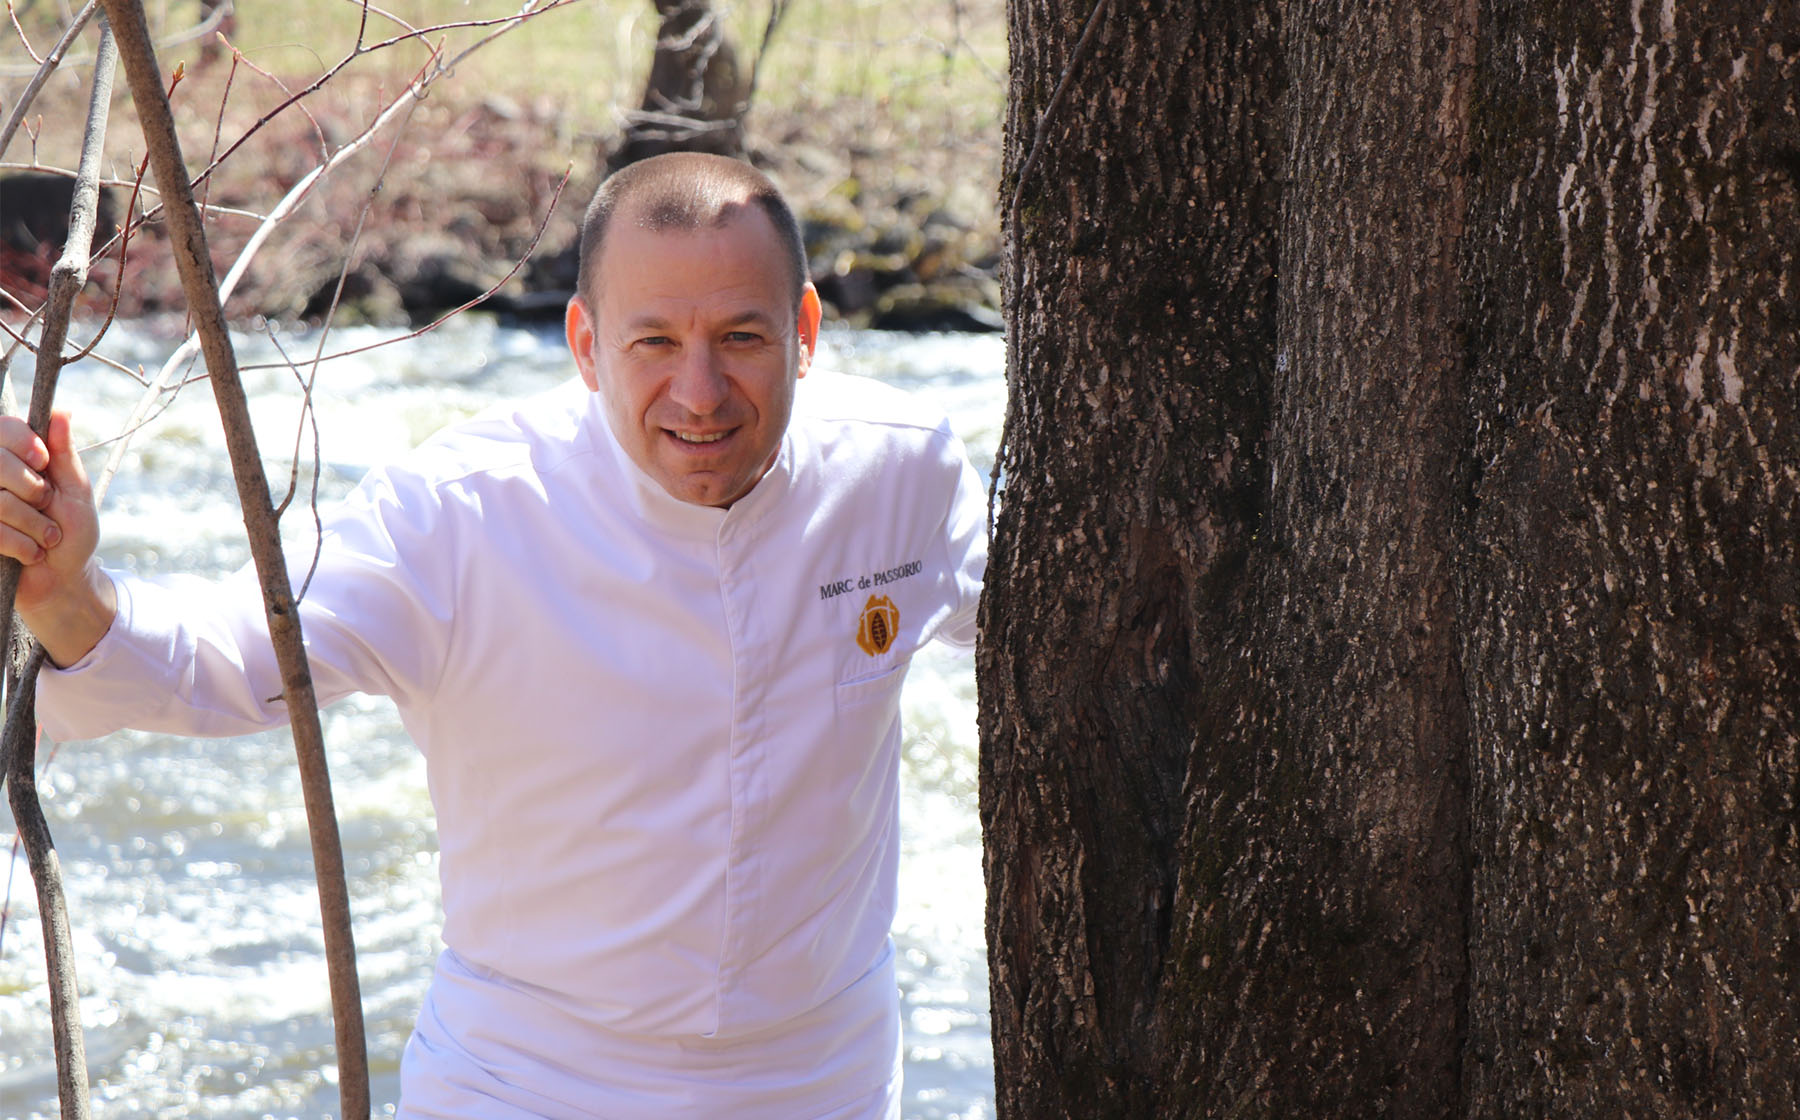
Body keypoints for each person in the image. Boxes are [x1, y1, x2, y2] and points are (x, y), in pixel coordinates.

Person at [0, 152, 987, 1119]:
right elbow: (235, 663)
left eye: (739, 337)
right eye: (653, 343)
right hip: (525, 1077)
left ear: (804, 331)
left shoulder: (899, 471)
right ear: (586, 344)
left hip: (822, 1081)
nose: (700, 393)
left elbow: (1067, 628)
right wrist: (65, 592)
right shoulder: (464, 513)